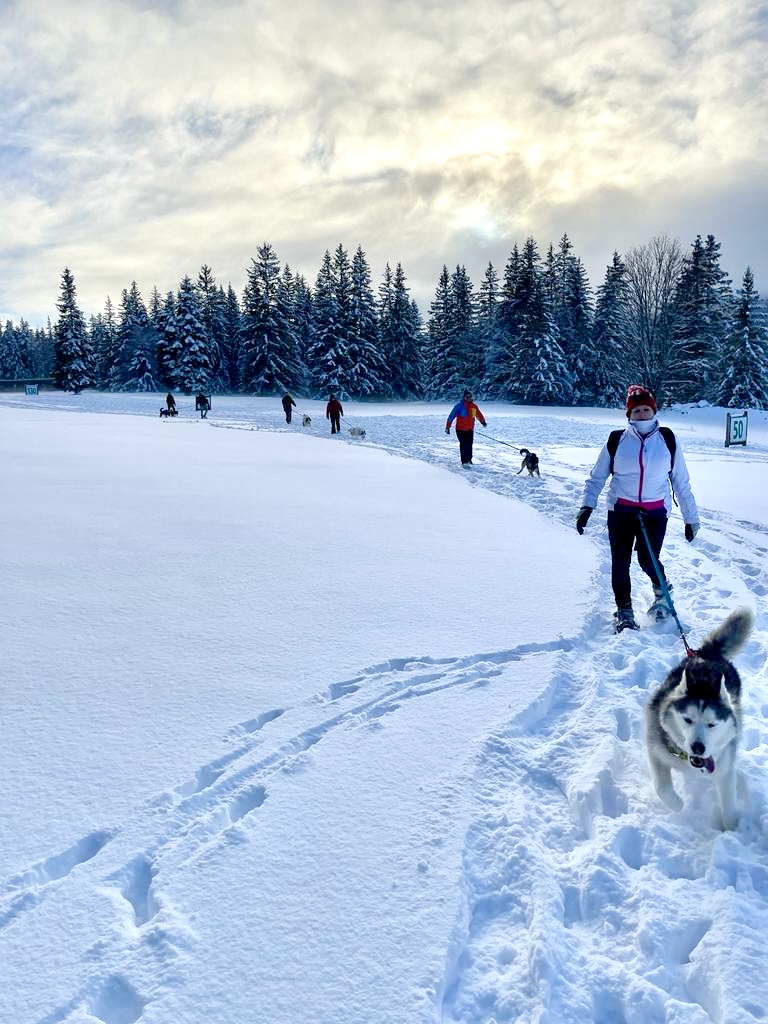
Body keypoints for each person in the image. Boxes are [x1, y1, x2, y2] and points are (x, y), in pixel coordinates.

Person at [575, 384, 700, 632]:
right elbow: (597, 477)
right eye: (636, 410)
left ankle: (663, 593)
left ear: (654, 410)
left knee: (646, 558)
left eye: (646, 409)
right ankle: (624, 611)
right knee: (620, 562)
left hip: (655, 512)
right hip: (621, 509)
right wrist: (587, 506)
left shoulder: (667, 439)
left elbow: (680, 481)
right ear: (628, 414)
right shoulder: (616, 439)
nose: (641, 414)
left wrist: (691, 518)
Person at [445, 389, 487, 466]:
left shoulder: (474, 407)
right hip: (460, 430)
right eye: (468, 396)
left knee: (469, 445)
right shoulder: (459, 406)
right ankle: (464, 461)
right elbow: (451, 416)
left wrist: (482, 422)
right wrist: (448, 427)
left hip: (470, 430)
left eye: (470, 396)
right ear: (464, 397)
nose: (470, 398)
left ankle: (469, 460)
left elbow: (478, 415)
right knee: (463, 444)